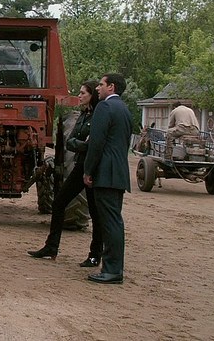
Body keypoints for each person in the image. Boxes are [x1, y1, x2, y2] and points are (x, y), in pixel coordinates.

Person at [28, 81, 103, 267]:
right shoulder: (84, 115)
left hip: (92, 168)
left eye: (83, 93)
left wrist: (82, 145)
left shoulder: (99, 116)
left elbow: (94, 144)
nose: (79, 96)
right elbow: (71, 142)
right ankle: (51, 247)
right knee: (59, 202)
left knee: (95, 212)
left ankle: (95, 255)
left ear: (92, 95)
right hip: (80, 165)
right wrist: (83, 144)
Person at [83, 73, 132, 284]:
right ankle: (113, 268)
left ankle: (112, 270)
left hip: (105, 173)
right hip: (118, 172)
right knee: (114, 221)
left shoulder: (104, 107)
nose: (97, 88)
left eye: (101, 85)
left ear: (111, 87)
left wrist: (88, 170)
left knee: (110, 223)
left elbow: (96, 143)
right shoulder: (124, 109)